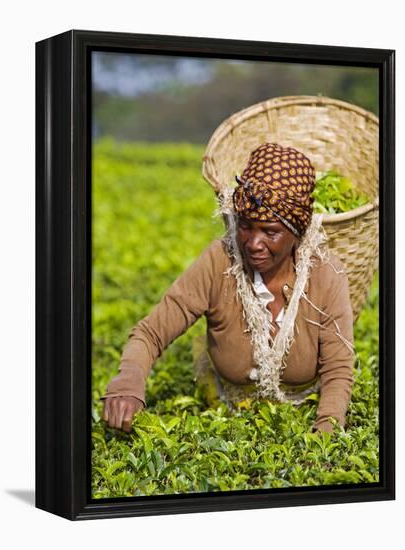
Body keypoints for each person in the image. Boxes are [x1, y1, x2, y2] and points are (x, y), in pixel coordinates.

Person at [101, 143, 354, 434]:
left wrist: (326, 431)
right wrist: (128, 383)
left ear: (296, 232)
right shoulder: (219, 261)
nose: (253, 243)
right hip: (224, 412)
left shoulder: (325, 273)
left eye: (270, 232)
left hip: (305, 413)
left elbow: (338, 369)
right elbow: (150, 334)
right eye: (246, 226)